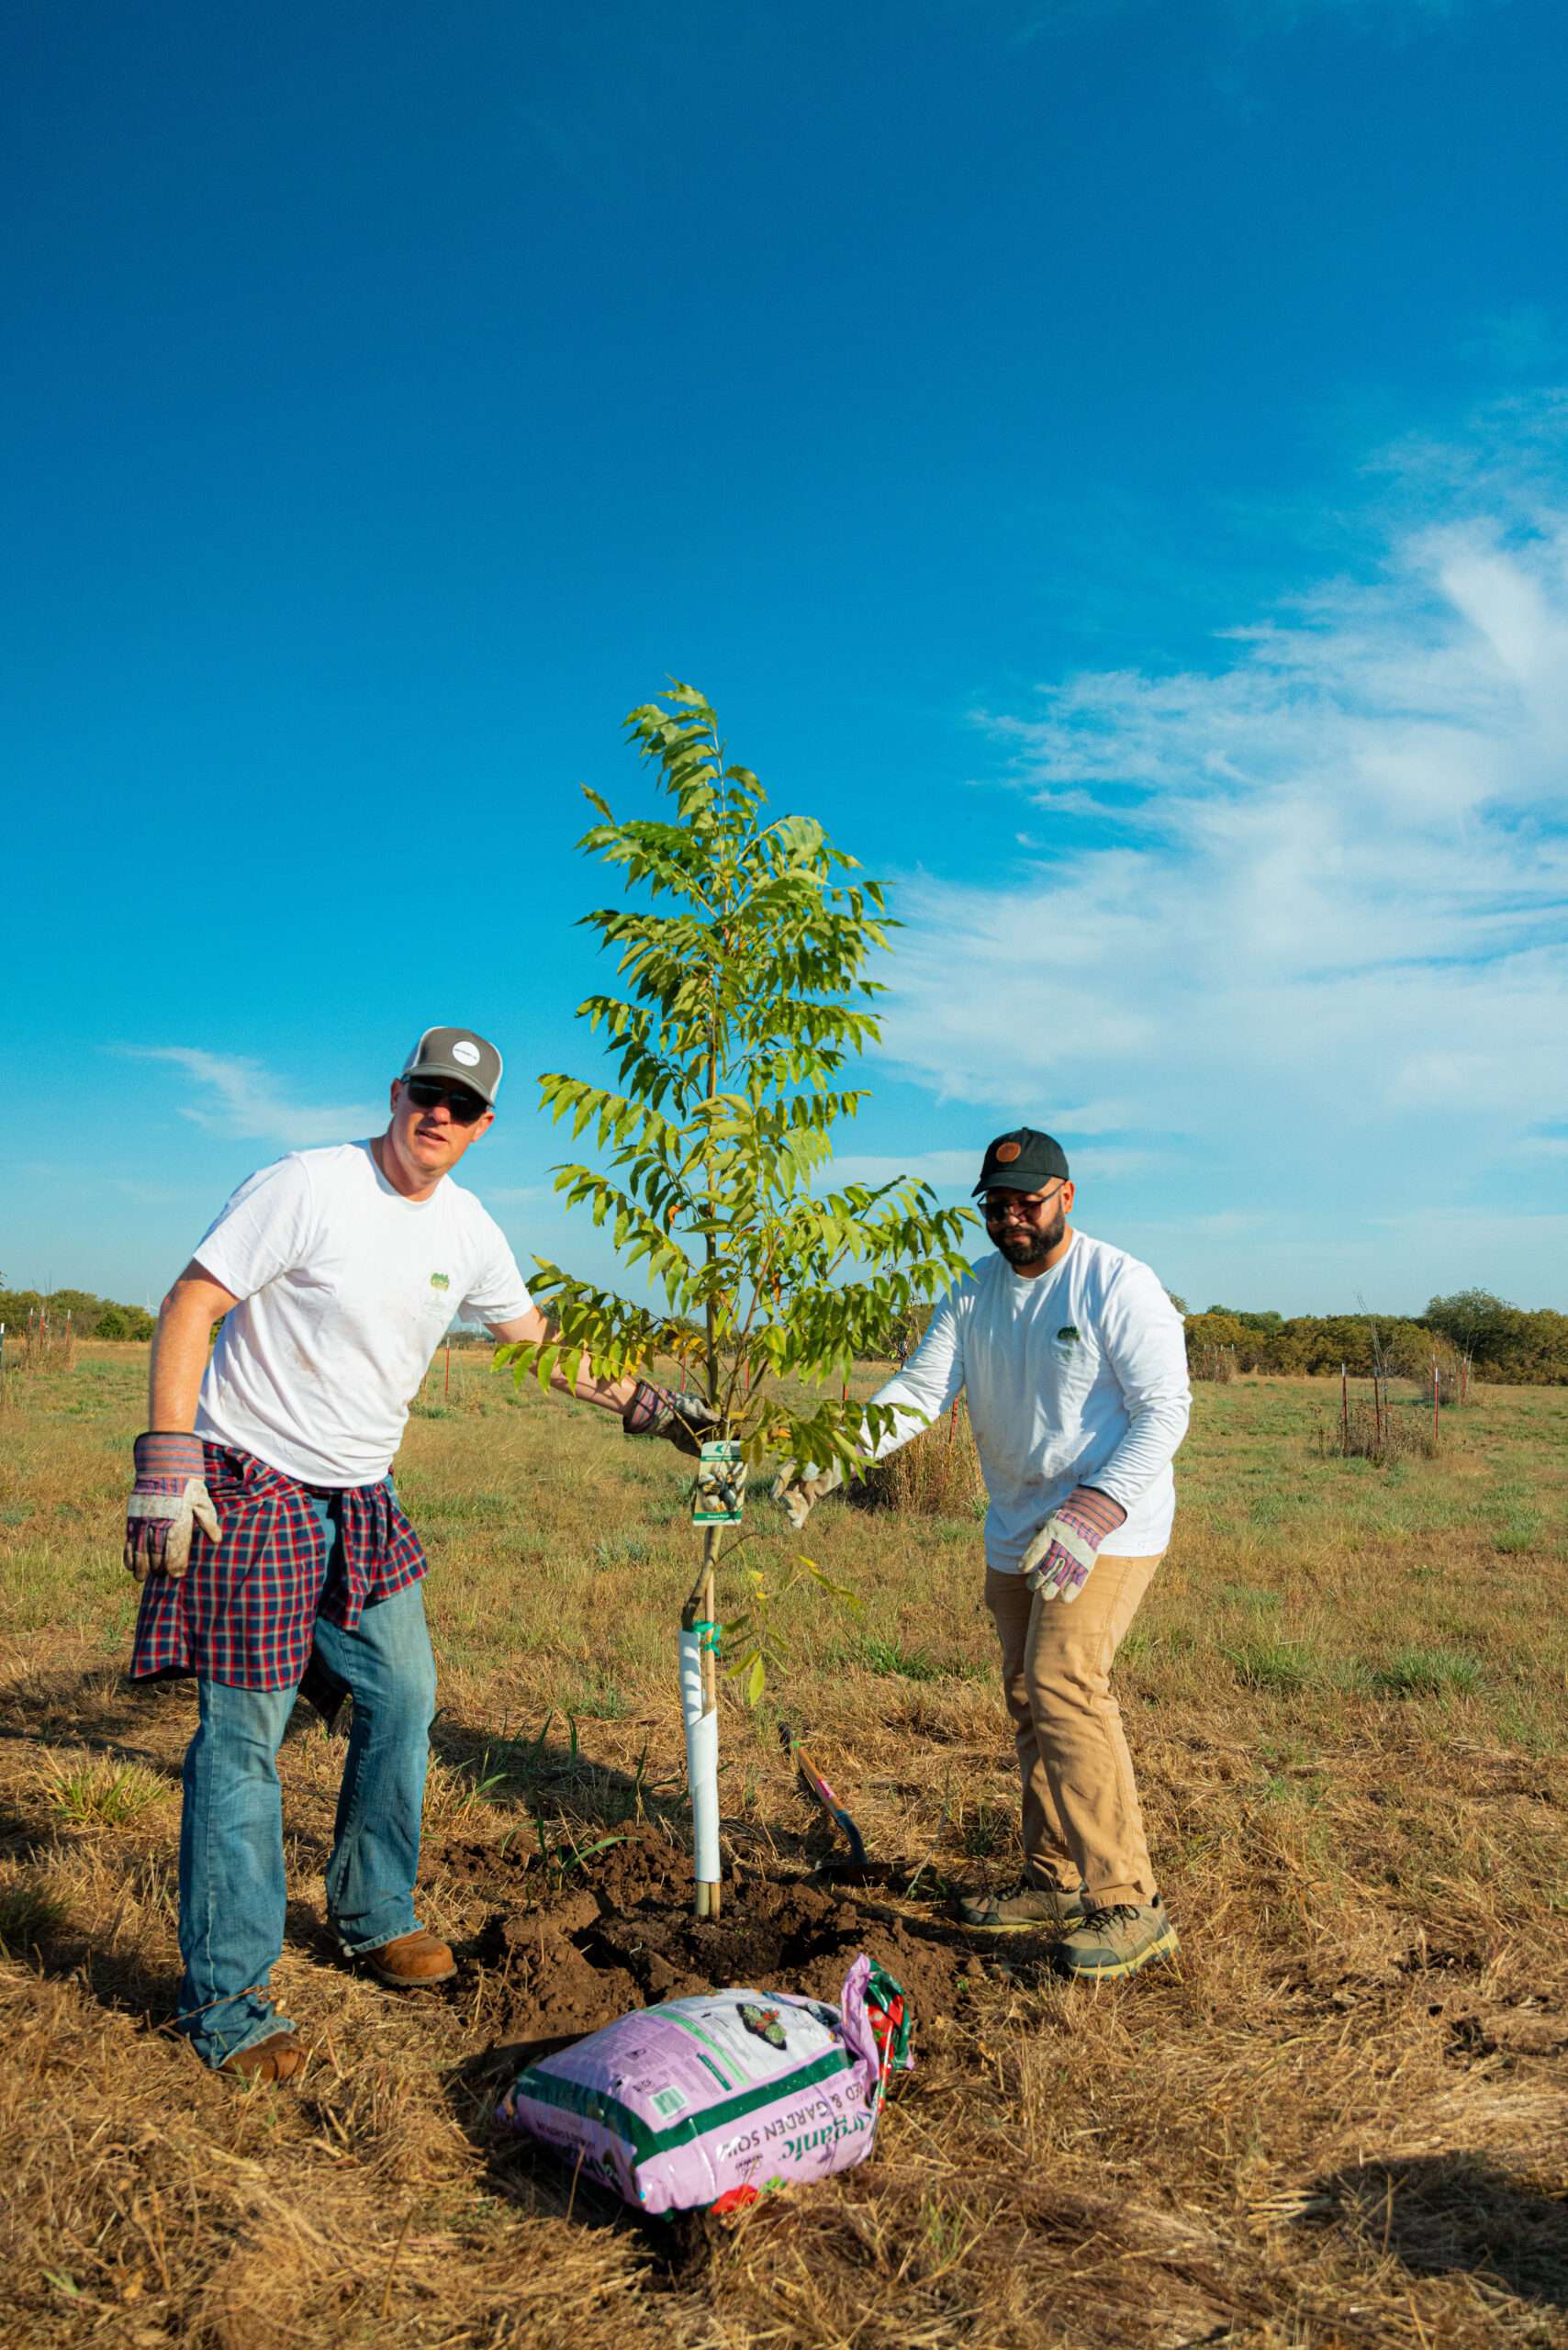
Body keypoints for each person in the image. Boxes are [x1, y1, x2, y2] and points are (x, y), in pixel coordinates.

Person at [125, 1026, 710, 2081]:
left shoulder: (471, 1226)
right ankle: (227, 2001)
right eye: (426, 1093)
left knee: (404, 1696)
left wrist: (647, 1401)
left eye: (462, 1105)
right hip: (254, 1486)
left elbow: (531, 1337)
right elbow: (192, 1303)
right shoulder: (309, 1184)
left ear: (484, 1126)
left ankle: (370, 1910)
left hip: (362, 1495)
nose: (438, 1115)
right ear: (397, 1094)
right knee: (241, 1745)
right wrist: (170, 1462)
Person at [778, 1128, 1191, 1981]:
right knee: (1025, 1695)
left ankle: (1129, 1902)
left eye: (1027, 1203)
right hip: (1018, 1526)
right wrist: (833, 1455)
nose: (1011, 1220)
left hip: (1111, 1523)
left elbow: (1165, 1408)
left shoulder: (1117, 1282)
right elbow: (920, 1394)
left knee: (1065, 1683)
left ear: (1066, 1197)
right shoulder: (975, 1292)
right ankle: (1049, 1878)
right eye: (997, 1206)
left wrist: (1096, 1506)